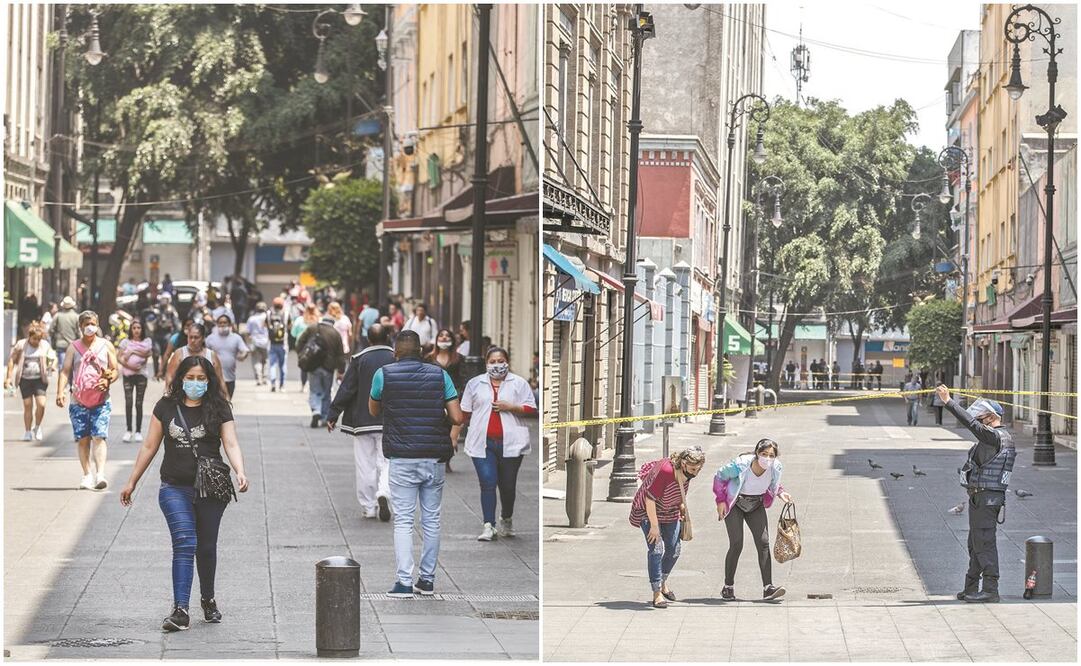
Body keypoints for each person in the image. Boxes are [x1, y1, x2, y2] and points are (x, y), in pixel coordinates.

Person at [119, 355, 250, 631]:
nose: (195, 383)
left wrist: (240, 470)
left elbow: (231, 442)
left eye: (201, 378)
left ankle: (208, 599)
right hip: (173, 487)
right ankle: (180, 609)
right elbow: (149, 446)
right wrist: (132, 481)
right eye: (190, 377)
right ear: (180, 378)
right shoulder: (166, 406)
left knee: (206, 547)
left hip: (210, 489)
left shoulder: (219, 407)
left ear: (209, 380)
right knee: (184, 542)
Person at [369, 331, 463, 598]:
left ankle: (403, 582)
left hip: (401, 456)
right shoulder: (440, 375)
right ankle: (427, 580)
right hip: (433, 456)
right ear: (421, 351)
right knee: (432, 520)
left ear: (395, 352)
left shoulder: (383, 374)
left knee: (404, 521)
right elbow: (457, 416)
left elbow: (374, 410)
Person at [937, 386, 1013, 603]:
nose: (979, 421)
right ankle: (971, 587)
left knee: (984, 543)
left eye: (981, 418)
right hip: (984, 498)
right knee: (976, 543)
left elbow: (971, 425)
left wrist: (948, 402)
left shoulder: (994, 437)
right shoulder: (997, 438)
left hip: (986, 498)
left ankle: (990, 589)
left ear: (991, 417)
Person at [460, 346, 537, 541]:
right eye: (492, 362)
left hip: (511, 443)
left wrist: (511, 407)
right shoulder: (474, 384)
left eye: (500, 361)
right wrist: (453, 436)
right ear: (486, 363)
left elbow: (531, 408)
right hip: (482, 443)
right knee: (487, 482)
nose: (497, 365)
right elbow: (464, 412)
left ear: (507, 362)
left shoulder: (518, 383)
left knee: (508, 485)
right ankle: (489, 525)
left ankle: (506, 518)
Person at [328, 324, 395, 521]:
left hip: (363, 421)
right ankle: (384, 491)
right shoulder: (395, 357)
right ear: (388, 337)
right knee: (388, 461)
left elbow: (347, 388)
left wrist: (333, 413)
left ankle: (369, 506)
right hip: (390, 421)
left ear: (368, 339)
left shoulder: (359, 359)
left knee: (365, 464)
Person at [714, 438, 794, 601]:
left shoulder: (776, 467)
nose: (767, 458)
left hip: (756, 504)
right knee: (737, 543)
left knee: (763, 542)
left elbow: (774, 483)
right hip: (735, 503)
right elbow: (720, 476)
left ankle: (768, 588)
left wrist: (781, 492)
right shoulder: (742, 464)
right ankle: (728, 587)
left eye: (771, 455)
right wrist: (720, 500)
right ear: (757, 453)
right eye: (764, 454)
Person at [629, 447, 706, 608]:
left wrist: (682, 507)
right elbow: (650, 499)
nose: (695, 473)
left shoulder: (687, 473)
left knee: (674, 550)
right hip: (648, 511)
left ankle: (663, 582)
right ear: (683, 464)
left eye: (698, 470)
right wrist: (654, 527)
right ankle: (657, 592)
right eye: (692, 469)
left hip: (670, 511)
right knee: (656, 550)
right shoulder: (666, 471)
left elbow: (679, 490)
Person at [56, 311, 120, 491]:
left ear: (98, 324)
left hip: (101, 400)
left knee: (99, 436)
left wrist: (107, 380)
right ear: (80, 327)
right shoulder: (73, 347)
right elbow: (65, 371)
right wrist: (60, 391)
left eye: (92, 323)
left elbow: (115, 370)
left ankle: (100, 474)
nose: (89, 327)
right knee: (83, 439)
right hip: (78, 401)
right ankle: (87, 475)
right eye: (86, 324)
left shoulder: (106, 346)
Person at [5, 321, 56, 441]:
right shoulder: (21, 345)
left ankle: (37, 427)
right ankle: (27, 431)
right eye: (34, 339)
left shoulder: (44, 345)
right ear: (29, 337)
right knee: (28, 406)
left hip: (40, 379)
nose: (36, 342)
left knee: (41, 405)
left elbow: (52, 357)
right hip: (25, 380)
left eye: (38, 339)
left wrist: (52, 365)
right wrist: (8, 377)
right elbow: (12, 360)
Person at [296, 312, 346, 428]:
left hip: (313, 365)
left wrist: (302, 355)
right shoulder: (335, 334)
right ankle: (324, 417)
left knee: (314, 390)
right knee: (326, 392)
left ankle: (315, 411)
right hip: (328, 368)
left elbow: (300, 342)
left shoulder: (312, 328)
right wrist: (341, 370)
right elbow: (340, 355)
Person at [425, 329, 465, 467]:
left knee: (451, 426)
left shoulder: (459, 359)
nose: (444, 338)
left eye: (447, 336)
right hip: (434, 397)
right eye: (441, 335)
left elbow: (462, 378)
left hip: (453, 397)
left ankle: (447, 458)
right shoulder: (428, 358)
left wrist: (458, 396)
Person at [164, 323, 228, 399]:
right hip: (182, 397)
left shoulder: (211, 355)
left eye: (196, 337)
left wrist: (226, 397)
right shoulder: (179, 354)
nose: (192, 340)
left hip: (207, 397)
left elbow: (220, 379)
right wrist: (168, 393)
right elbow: (170, 375)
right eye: (190, 337)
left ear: (203, 338)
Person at [118, 320, 153, 442]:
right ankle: (128, 430)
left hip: (141, 376)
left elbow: (147, 353)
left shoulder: (147, 341)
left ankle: (138, 431)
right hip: (128, 376)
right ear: (131, 329)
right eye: (134, 328)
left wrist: (132, 351)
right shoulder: (125, 342)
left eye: (139, 327)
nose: (137, 330)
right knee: (128, 402)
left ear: (142, 329)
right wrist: (130, 367)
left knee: (139, 403)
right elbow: (119, 357)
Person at [206, 314, 250, 398]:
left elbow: (245, 350)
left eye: (225, 322)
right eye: (220, 323)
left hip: (230, 378)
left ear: (229, 324)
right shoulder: (210, 338)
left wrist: (242, 356)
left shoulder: (236, 338)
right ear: (217, 324)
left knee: (227, 402)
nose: (222, 324)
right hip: (214, 378)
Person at [292, 302, 320, 393]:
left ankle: (303, 385)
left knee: (303, 366)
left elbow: (293, 333)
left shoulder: (299, 320)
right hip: (315, 346)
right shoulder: (319, 321)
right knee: (314, 366)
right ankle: (312, 385)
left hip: (301, 347)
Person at [50, 296, 80, 370]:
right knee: (72, 366)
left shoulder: (58, 316)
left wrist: (54, 338)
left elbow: (51, 330)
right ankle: (70, 380)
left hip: (61, 344)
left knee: (62, 366)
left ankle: (62, 381)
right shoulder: (76, 317)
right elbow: (80, 332)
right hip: (73, 345)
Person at [245, 302, 270, 386]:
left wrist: (248, 343)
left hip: (255, 342)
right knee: (266, 360)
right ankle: (265, 378)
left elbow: (248, 332)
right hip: (266, 342)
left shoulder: (251, 319)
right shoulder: (267, 317)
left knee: (256, 361)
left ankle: (259, 379)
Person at [267, 297, 289, 392]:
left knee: (272, 364)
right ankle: (282, 385)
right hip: (283, 343)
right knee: (282, 365)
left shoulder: (269, 313)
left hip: (272, 343)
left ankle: (273, 383)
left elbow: (266, 326)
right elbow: (289, 326)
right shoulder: (286, 314)